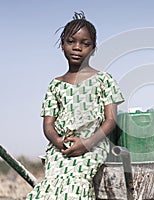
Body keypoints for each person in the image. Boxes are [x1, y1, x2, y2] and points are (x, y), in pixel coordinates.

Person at [26, 11, 124, 199]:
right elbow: (48, 124)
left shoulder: (104, 80)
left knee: (75, 186)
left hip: (93, 145)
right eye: (71, 42)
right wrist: (59, 142)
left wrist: (86, 143)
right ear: (62, 45)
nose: (77, 47)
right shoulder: (55, 84)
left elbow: (110, 120)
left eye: (85, 44)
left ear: (93, 48)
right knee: (50, 187)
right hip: (61, 147)